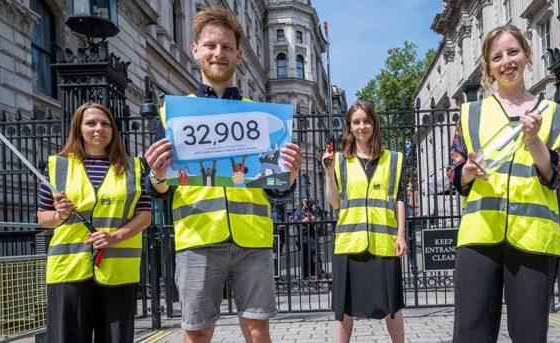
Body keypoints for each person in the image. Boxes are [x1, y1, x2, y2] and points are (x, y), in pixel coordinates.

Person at [142, 6, 303, 343]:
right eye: (211, 45)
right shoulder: (172, 114)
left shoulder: (259, 116)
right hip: (198, 239)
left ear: (239, 55)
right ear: (195, 49)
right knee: (197, 333)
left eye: (227, 47)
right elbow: (156, 189)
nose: (219, 53)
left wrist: (289, 174)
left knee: (258, 334)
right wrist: (156, 175)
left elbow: (277, 189)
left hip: (252, 240)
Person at [450, 25, 560, 342]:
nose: (506, 61)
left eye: (513, 52)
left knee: (530, 334)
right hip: (480, 235)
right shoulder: (469, 113)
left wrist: (534, 141)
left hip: (534, 237)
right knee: (470, 333)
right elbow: (455, 172)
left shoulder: (558, 116)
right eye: (497, 56)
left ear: (527, 55)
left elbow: (556, 176)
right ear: (488, 66)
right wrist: (468, 171)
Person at [37, 102, 151, 343]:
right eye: (91, 123)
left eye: (105, 123)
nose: (99, 128)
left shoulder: (133, 168)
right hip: (69, 270)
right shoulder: (58, 166)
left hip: (118, 272)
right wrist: (61, 215)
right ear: (78, 128)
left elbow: (145, 215)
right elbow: (43, 218)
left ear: (113, 129)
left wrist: (114, 237)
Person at [322, 100, 407, 343]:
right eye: (356, 122)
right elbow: (335, 203)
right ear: (349, 126)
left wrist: (401, 234)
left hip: (384, 242)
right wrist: (328, 173)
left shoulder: (393, 159)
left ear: (374, 124)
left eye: (366, 121)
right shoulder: (338, 161)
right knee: (344, 308)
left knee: (394, 305)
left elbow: (399, 198)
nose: (362, 126)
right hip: (349, 243)